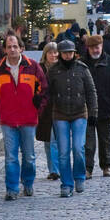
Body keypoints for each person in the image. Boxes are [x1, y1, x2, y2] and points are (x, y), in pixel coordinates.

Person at [0, 32, 48, 201]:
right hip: (7, 119)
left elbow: (43, 91)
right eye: (9, 47)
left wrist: (37, 110)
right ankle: (12, 188)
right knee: (11, 156)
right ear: (4, 49)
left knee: (29, 156)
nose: (12, 49)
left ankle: (28, 182)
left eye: (15, 46)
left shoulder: (33, 66)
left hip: (28, 118)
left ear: (21, 48)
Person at [48, 38, 96, 197]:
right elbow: (47, 94)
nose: (68, 55)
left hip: (79, 113)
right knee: (63, 151)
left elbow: (91, 91)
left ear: (74, 53)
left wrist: (93, 113)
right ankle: (66, 183)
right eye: (65, 53)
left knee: (78, 148)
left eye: (70, 52)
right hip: (60, 114)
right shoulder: (54, 71)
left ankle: (79, 176)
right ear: (60, 54)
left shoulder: (82, 69)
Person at [82, 34, 110, 177]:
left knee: (105, 140)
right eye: (93, 48)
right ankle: (88, 168)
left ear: (102, 47)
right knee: (88, 142)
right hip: (87, 110)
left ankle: (106, 166)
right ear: (88, 48)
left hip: (106, 108)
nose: (95, 50)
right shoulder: (82, 64)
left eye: (97, 47)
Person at [36, 42, 61, 180]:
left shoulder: (62, 68)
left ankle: (59, 167)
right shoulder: (40, 69)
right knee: (49, 140)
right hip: (45, 110)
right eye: (50, 52)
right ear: (45, 54)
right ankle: (54, 170)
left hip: (60, 109)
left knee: (60, 140)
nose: (53, 55)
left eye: (55, 52)